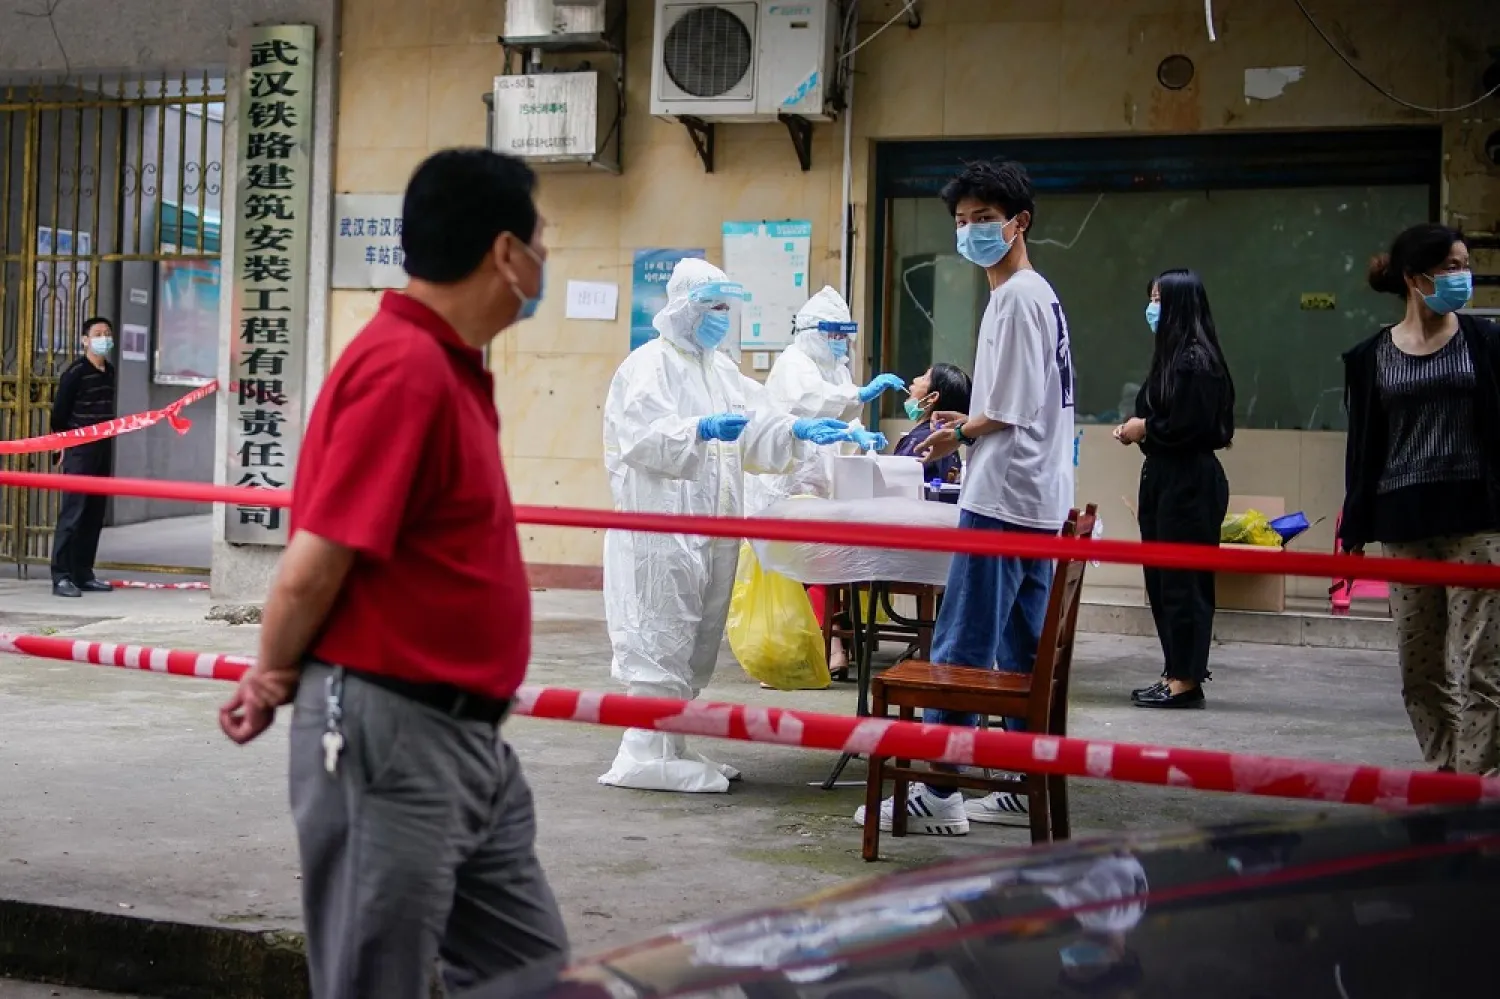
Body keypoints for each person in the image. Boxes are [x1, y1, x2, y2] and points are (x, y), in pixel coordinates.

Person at [217, 149, 568, 998]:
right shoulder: (403, 370)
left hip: (463, 740)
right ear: (502, 253)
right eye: (540, 239)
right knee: (379, 981)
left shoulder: (445, 366)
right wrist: (268, 675)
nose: (544, 259)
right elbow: (311, 564)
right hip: (390, 733)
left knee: (529, 967)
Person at [857, 158, 1075, 836]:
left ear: (1019, 223)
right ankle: (1016, 777)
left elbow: (1003, 407)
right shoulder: (1042, 295)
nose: (971, 231)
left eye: (984, 219)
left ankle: (940, 789)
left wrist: (955, 431)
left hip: (1003, 498)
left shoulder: (1014, 298)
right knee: (1017, 647)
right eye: (961, 221)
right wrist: (967, 424)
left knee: (958, 647)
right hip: (1037, 500)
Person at [600, 257, 851, 794]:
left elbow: (759, 424)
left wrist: (801, 428)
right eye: (712, 306)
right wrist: (700, 428)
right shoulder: (647, 367)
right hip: (661, 533)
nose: (721, 316)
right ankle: (642, 751)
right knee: (658, 630)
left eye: (724, 307)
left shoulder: (719, 369)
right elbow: (640, 438)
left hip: (712, 529)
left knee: (696, 636)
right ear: (684, 307)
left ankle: (671, 743)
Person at [1340, 223, 1500, 776]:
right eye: (1450, 266)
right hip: (1405, 524)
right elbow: (1363, 447)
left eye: (1464, 263)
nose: (1463, 276)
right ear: (1414, 278)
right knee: (1420, 668)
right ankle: (1445, 772)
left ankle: (1477, 791)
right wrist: (1354, 528)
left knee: (1483, 666)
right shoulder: (1371, 358)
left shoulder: (1487, 343)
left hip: (1478, 521)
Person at [745, 285, 896, 682]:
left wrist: (860, 438)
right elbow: (812, 402)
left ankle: (828, 642)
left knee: (821, 563)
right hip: (787, 484)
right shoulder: (793, 363)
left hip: (819, 484)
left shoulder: (837, 366)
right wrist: (859, 393)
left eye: (844, 334)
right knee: (794, 568)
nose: (840, 341)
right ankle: (789, 650)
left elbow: (843, 416)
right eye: (832, 333)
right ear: (811, 331)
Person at [1114, 270, 1235, 710]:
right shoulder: (1173, 357)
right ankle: (1174, 671)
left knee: (1183, 584)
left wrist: (1144, 427)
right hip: (1165, 476)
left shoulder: (1195, 361)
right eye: (1150, 298)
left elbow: (1192, 426)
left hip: (1188, 482)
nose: (1153, 309)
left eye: (1161, 299)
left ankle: (1186, 677)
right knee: (1164, 582)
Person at [50, 317, 116, 598]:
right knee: (73, 512)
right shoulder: (76, 371)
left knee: (93, 513)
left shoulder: (109, 371)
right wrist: (64, 443)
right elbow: (59, 414)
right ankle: (61, 576)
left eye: (107, 334)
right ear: (85, 340)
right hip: (79, 448)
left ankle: (83, 573)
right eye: (98, 334)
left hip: (103, 447)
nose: (103, 338)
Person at [894, 363, 972, 487]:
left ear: (932, 397)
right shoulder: (948, 446)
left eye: (924, 378)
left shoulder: (920, 442)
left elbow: (894, 486)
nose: (915, 380)